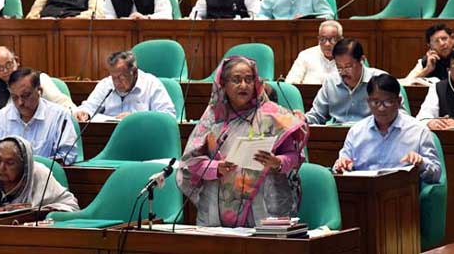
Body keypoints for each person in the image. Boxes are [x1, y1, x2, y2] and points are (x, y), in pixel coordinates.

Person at [177, 56, 308, 227]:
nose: (244, 85)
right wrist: (216, 168)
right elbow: (190, 164)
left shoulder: (273, 115)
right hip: (216, 206)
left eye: (249, 79)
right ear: (223, 84)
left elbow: (295, 156)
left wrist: (277, 162)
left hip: (264, 203)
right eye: (236, 80)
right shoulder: (212, 119)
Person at [333, 74, 441, 184]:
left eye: (388, 102)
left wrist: (421, 163)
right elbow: (342, 165)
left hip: (401, 194)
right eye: (375, 102)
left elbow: (437, 175)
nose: (381, 108)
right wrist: (342, 166)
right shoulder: (356, 131)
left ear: (398, 102)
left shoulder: (418, 131)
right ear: (368, 102)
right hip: (364, 192)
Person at [0, 68, 78, 165]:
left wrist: (31, 166)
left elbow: (68, 156)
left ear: (39, 91)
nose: (20, 103)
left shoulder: (59, 116)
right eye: (14, 97)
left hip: (46, 178)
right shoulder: (3, 116)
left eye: (25, 95)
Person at [0, 46, 76, 118]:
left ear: (17, 61)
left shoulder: (39, 79)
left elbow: (63, 103)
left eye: (9, 64)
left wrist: (76, 113)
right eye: (0, 68)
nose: (6, 71)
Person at [305, 39, 392, 124]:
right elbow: (317, 115)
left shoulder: (380, 80)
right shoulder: (331, 82)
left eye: (348, 66)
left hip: (371, 134)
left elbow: (399, 114)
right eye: (339, 67)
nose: (343, 72)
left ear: (362, 60)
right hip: (337, 135)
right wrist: (302, 119)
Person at [74, 51, 175, 121]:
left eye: (121, 77)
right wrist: (84, 113)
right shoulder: (106, 84)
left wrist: (136, 118)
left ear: (134, 72)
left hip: (143, 137)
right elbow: (89, 107)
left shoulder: (151, 84)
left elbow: (169, 116)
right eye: (114, 77)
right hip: (108, 139)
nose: (117, 82)